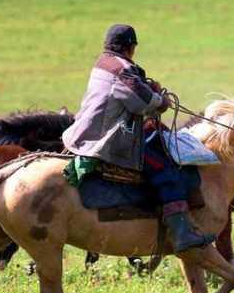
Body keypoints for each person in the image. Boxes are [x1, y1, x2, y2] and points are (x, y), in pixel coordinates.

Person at [62, 24, 215, 252]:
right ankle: (182, 233)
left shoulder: (103, 63)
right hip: (109, 141)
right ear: (131, 47)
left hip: (86, 133)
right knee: (165, 168)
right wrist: (162, 101)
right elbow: (144, 102)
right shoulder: (122, 69)